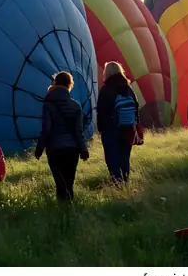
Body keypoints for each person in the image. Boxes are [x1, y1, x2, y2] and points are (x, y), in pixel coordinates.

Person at [35, 71, 89, 202]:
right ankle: (70, 210)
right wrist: (83, 149)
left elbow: (46, 129)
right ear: (70, 85)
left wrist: (39, 149)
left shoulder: (47, 104)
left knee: (60, 184)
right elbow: (78, 131)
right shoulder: (76, 106)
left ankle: (61, 211)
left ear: (54, 84)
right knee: (69, 183)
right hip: (72, 149)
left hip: (54, 149)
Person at [96, 61, 140, 185]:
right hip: (127, 128)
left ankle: (117, 184)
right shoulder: (127, 88)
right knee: (124, 157)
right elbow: (136, 107)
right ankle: (125, 182)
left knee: (112, 159)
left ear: (107, 72)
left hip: (111, 129)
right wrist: (135, 125)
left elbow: (101, 110)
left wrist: (101, 129)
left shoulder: (106, 89)